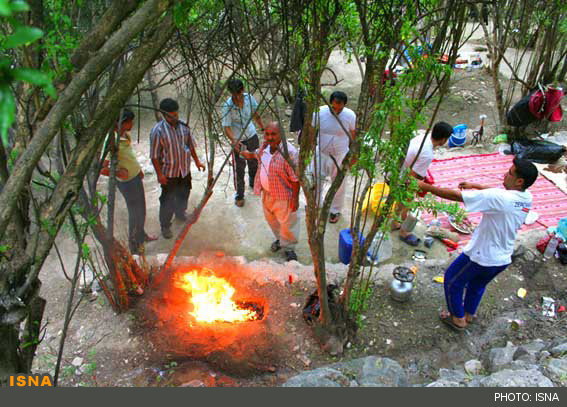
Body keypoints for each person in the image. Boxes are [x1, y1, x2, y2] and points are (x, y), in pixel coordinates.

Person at [418, 157, 538, 331]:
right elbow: (498, 194)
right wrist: (476, 186)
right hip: (502, 258)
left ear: (519, 181)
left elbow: (455, 195)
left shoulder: (499, 198)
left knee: (452, 280)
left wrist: (424, 187)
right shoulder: (527, 197)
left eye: (510, 173)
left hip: (482, 256)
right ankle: (469, 314)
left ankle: (458, 319)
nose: (505, 174)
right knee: (477, 285)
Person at [240, 122, 300, 262]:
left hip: (284, 196)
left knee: (288, 223)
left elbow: (295, 179)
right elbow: (257, 156)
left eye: (273, 134)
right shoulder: (265, 147)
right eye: (267, 134)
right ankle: (281, 240)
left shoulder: (289, 153)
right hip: (267, 193)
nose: (269, 137)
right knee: (272, 220)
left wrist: (295, 198)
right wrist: (247, 154)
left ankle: (289, 249)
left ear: (281, 134)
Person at [101, 109, 157, 254]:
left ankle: (141, 235)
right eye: (129, 121)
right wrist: (120, 173)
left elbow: (127, 156)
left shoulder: (124, 135)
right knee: (135, 213)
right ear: (121, 123)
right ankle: (134, 246)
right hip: (126, 183)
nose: (132, 123)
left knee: (142, 210)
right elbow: (102, 169)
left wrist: (137, 170)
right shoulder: (111, 142)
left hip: (135, 178)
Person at [150, 98, 205, 239]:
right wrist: (159, 175)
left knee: (184, 193)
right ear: (164, 115)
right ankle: (165, 225)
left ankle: (180, 213)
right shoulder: (158, 131)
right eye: (171, 116)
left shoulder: (184, 127)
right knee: (167, 200)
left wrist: (197, 162)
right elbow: (154, 156)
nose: (175, 118)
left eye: (176, 114)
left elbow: (190, 145)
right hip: (169, 173)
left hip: (184, 170)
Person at [397, 122, 453, 246]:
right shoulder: (427, 153)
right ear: (443, 139)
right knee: (408, 199)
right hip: (401, 176)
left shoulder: (422, 137)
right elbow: (412, 179)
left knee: (403, 196)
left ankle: (395, 222)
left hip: (396, 169)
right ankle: (404, 231)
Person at [311, 91, 357, 223]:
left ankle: (335, 210)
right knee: (316, 178)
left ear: (344, 105)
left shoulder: (350, 116)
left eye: (340, 107)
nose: (337, 110)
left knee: (339, 184)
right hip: (321, 153)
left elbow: (354, 135)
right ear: (330, 103)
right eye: (334, 107)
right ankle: (315, 204)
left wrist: (354, 155)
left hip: (340, 155)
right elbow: (312, 131)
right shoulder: (319, 112)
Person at [222, 79, 265, 207]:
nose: (237, 97)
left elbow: (256, 115)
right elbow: (226, 127)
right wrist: (234, 141)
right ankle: (240, 194)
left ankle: (253, 182)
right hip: (238, 140)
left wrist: (262, 128)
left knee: (254, 162)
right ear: (231, 93)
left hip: (252, 136)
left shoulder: (249, 98)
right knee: (239, 168)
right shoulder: (227, 107)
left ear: (243, 91)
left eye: (239, 94)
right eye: (234, 95)